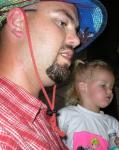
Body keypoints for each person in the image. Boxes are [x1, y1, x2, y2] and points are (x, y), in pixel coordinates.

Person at [0, 0, 107, 149]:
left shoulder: (43, 121)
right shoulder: (5, 133)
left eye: (76, 31)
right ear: (18, 22)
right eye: (63, 23)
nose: (76, 41)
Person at [58, 60, 119, 150]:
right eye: (103, 85)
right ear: (83, 87)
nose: (110, 91)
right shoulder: (65, 115)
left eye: (111, 87)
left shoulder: (112, 123)